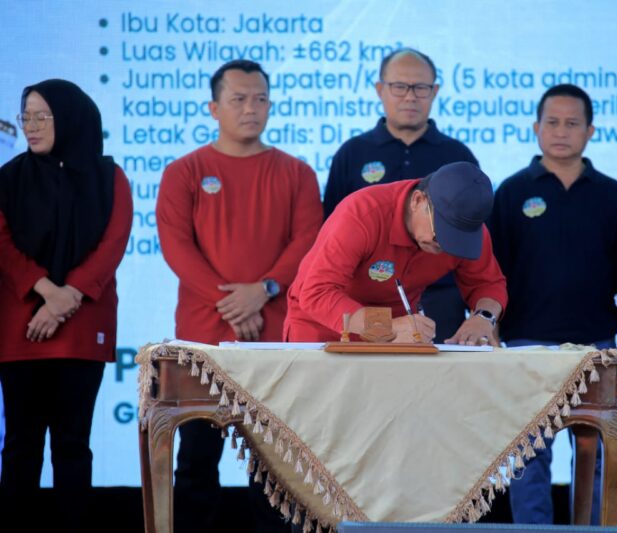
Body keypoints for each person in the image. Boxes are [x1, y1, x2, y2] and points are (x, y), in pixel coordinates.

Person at [156, 60, 323, 532]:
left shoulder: (297, 173)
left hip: (276, 339)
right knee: (196, 460)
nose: (251, 109)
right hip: (204, 337)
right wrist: (234, 303)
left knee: (274, 465)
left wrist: (264, 290)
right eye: (239, 99)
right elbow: (176, 246)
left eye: (260, 99)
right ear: (214, 108)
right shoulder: (184, 171)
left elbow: (308, 241)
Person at [489, 84, 617, 525]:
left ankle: (592, 530)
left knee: (593, 453)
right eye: (552, 122)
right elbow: (492, 274)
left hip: (595, 345)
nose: (561, 131)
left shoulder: (610, 194)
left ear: (590, 131)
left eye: (572, 123)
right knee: (529, 455)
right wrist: (493, 336)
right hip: (526, 344)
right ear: (536, 128)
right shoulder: (512, 192)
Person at [0, 80, 133, 532]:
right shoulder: (8, 178)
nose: (31, 126)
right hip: (20, 326)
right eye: (26, 116)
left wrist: (66, 298)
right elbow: (2, 245)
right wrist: (46, 291)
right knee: (20, 445)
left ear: (72, 119)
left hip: (81, 325)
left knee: (73, 445)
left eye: (43, 116)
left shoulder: (109, 177)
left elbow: (113, 243)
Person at [323, 48, 479, 343]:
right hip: (364, 305)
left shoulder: (457, 157)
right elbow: (328, 236)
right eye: (399, 86)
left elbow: (476, 242)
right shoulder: (353, 153)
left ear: (434, 92)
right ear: (379, 89)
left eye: (420, 87)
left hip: (441, 302)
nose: (410, 96)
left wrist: (483, 317)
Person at [285, 161, 506, 346]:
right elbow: (317, 293)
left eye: (456, 238)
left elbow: (487, 283)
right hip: (325, 328)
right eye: (441, 232)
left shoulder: (467, 231)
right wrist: (386, 326)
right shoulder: (361, 214)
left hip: (400, 333)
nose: (446, 245)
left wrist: (483, 318)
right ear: (418, 201)